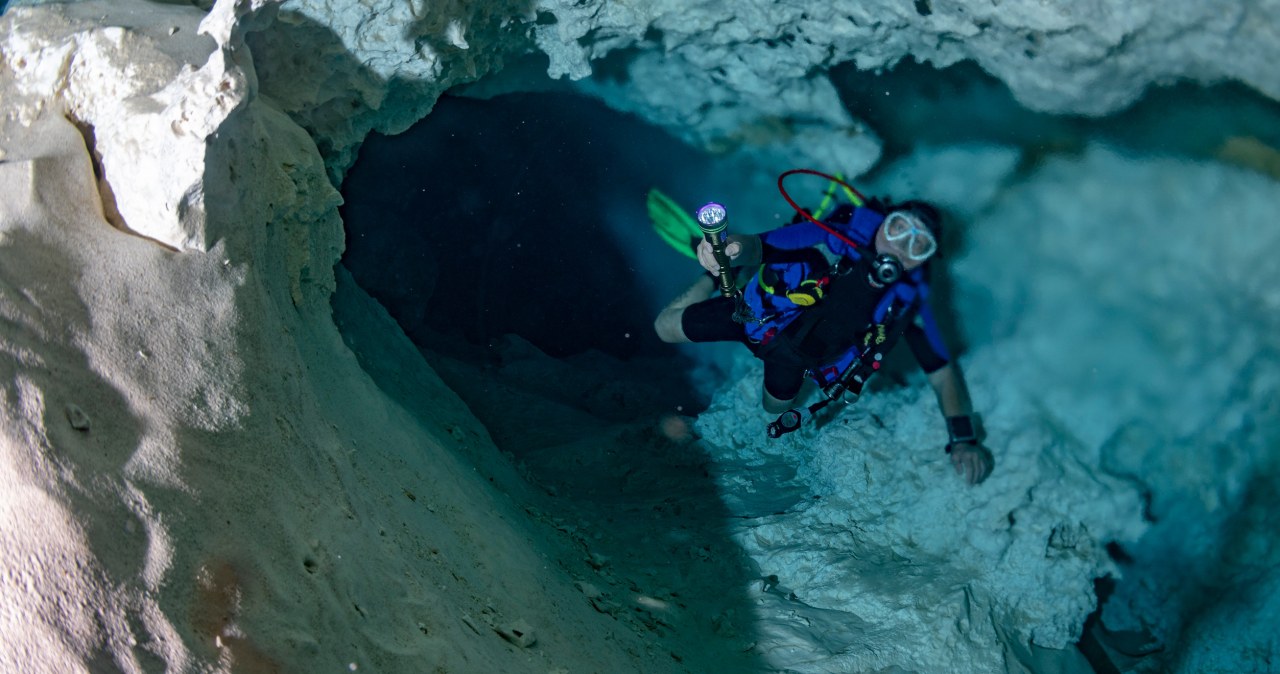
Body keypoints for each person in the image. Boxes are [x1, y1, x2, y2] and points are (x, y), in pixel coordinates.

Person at [654, 198, 994, 485]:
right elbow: (762, 244)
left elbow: (941, 371)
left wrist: (963, 438)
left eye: (919, 245)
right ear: (880, 225)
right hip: (753, 314)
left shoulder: (906, 304)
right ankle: (713, 277)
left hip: (791, 358)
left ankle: (723, 277)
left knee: (774, 408)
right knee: (663, 327)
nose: (901, 246)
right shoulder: (834, 238)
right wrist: (730, 252)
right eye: (898, 228)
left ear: (923, 260)